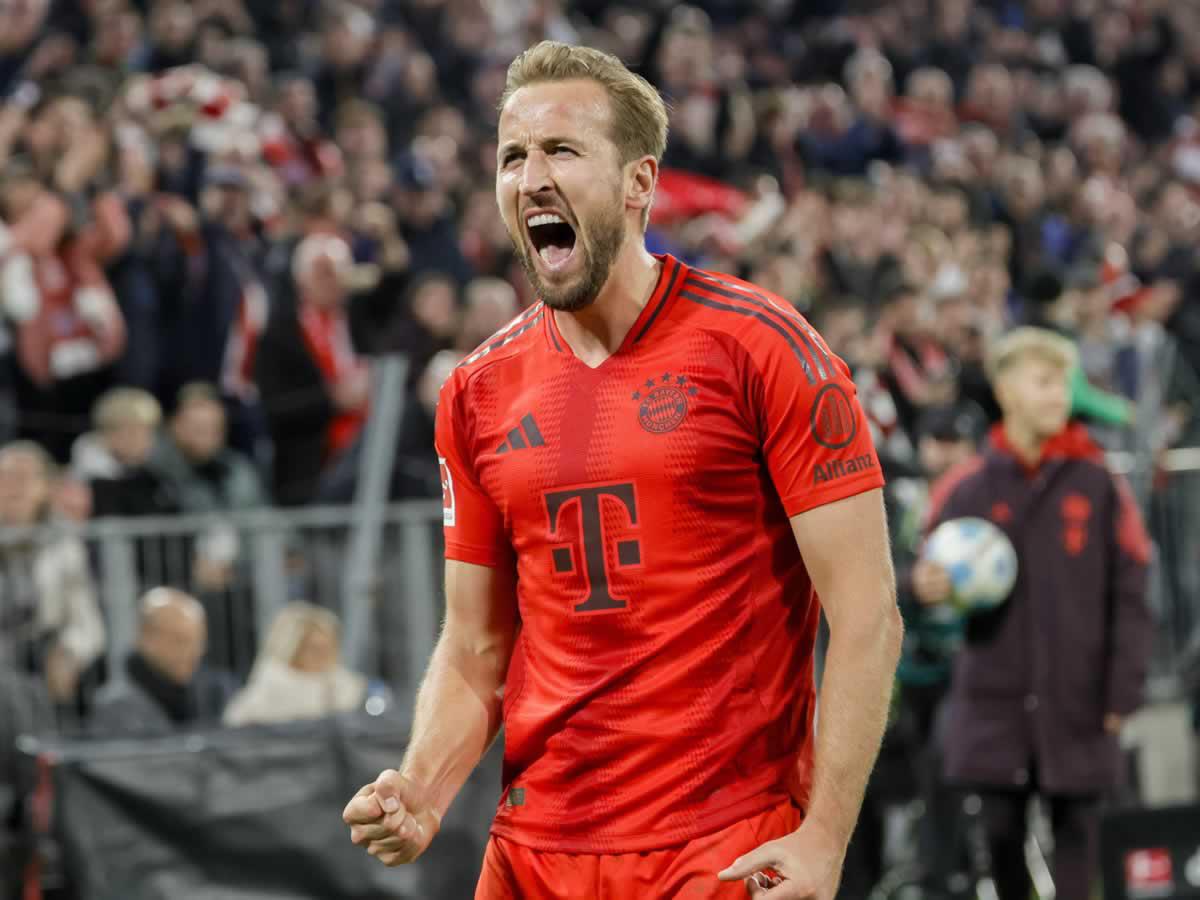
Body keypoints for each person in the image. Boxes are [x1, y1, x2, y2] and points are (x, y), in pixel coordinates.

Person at [344, 41, 903, 899]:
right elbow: (475, 647)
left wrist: (824, 837)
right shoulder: (476, 391)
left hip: (721, 840)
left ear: (640, 182)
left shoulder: (762, 347)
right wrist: (422, 786)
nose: (531, 177)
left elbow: (867, 617)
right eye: (512, 156)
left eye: (561, 150)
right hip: (536, 847)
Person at [916, 327, 1153, 900]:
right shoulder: (964, 487)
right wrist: (919, 584)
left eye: (1065, 384)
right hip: (993, 704)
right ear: (1005, 390)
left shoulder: (1099, 483)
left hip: (1080, 702)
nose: (1059, 396)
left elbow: (1132, 591)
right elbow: (908, 569)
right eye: (1045, 382)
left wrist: (1122, 693)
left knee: (1078, 841)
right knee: (1000, 836)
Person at [90, 587, 235, 736]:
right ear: (146, 639)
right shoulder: (117, 708)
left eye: (199, 643)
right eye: (180, 641)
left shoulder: (214, 695)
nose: (193, 653)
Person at [223, 602, 380, 727]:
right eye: (313, 649)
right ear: (292, 649)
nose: (322, 657)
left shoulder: (349, 688)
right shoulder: (265, 693)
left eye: (328, 648)